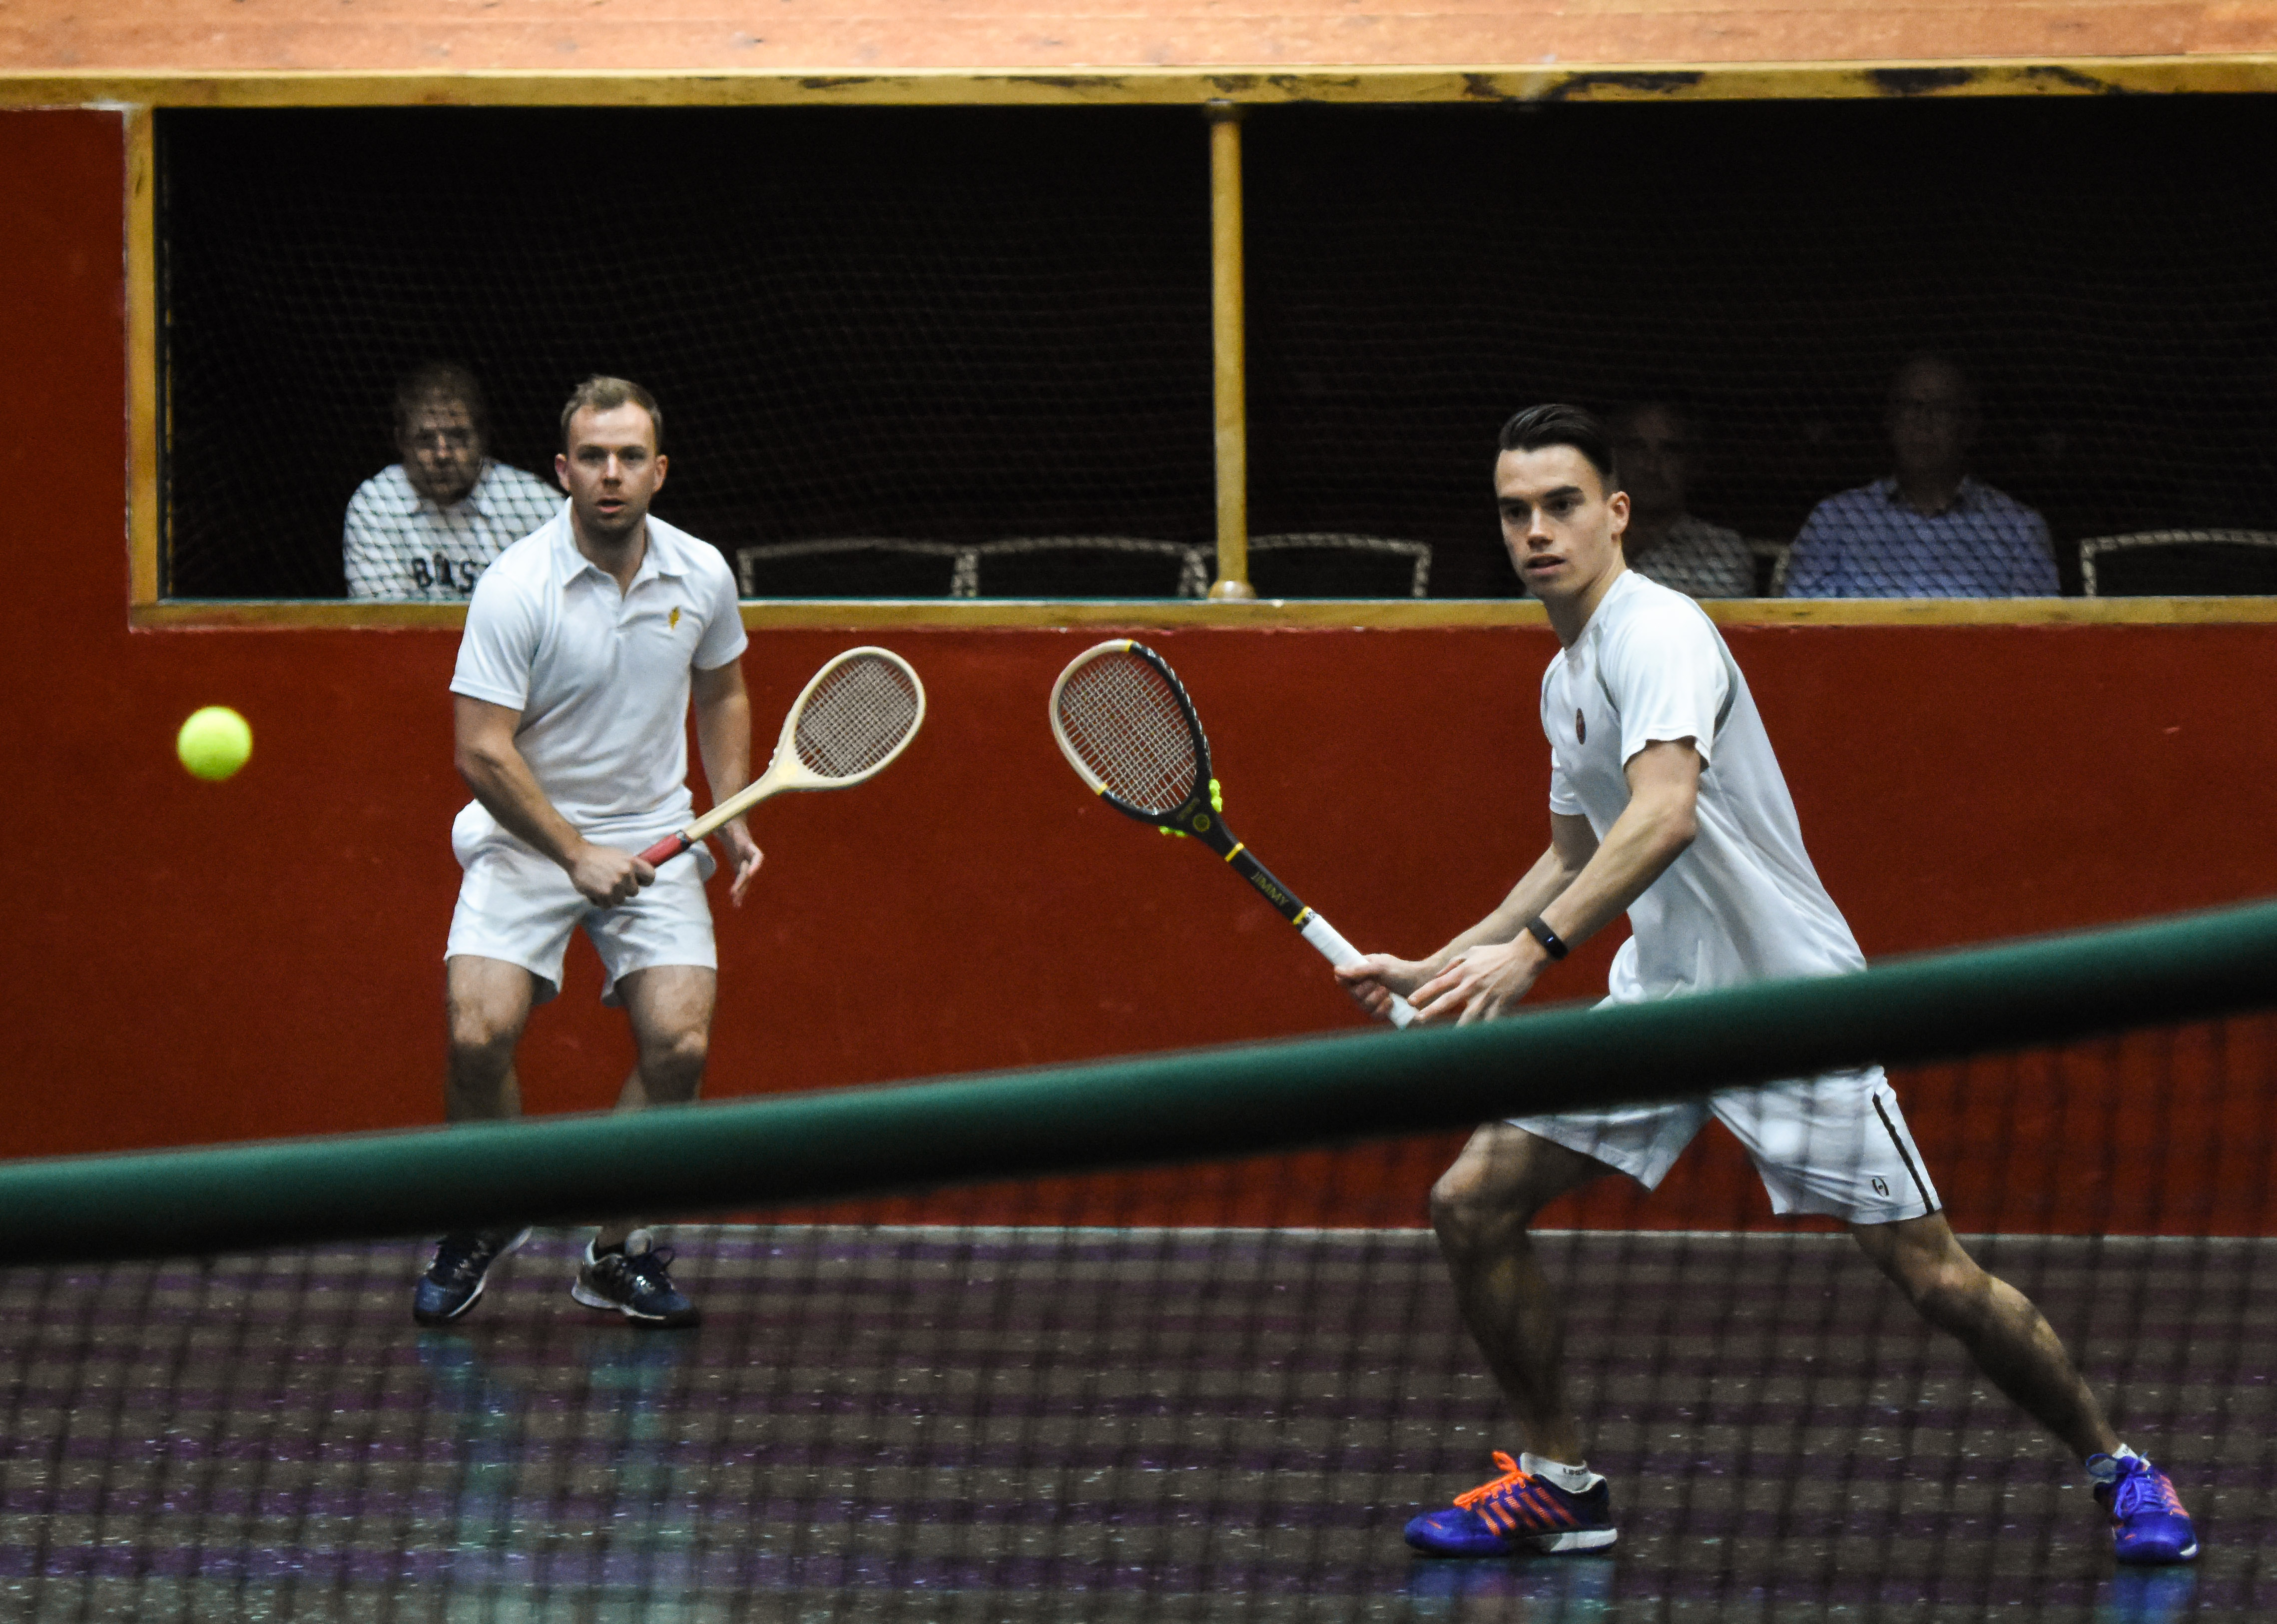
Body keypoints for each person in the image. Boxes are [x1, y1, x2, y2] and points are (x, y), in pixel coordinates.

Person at [1336, 404, 2196, 1567]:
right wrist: (1443, 960)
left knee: (1934, 1275)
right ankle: (1560, 1481)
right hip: (1663, 1005)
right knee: (1470, 1201)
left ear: (1615, 513)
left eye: (1561, 504)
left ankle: (2120, 1464)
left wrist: (1530, 953)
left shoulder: (1660, 630)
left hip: (1789, 1008)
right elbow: (1574, 851)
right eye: (1514, 510)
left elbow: (1665, 813)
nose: (1536, 529)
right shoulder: (1564, 677)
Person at [414, 376, 764, 1331]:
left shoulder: (701, 573)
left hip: (655, 834)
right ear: (563, 471)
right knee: (476, 1034)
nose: (612, 474)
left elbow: (723, 690)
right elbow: (480, 750)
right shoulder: (514, 586)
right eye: (593, 458)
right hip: (526, 837)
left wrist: (730, 807)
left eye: (630, 457)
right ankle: (486, 1210)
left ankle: (619, 1250)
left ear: (659, 470)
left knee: (680, 1042)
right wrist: (573, 852)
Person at [1784, 354, 2059, 597]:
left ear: (1969, 427)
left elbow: (2037, 635)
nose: (1923, 422)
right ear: (1889, 420)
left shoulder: (2018, 531)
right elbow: (1800, 629)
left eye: (1941, 409)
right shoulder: (1834, 522)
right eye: (1910, 406)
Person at [343, 362, 560, 600]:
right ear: (402, 442)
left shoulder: (531, 502)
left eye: (458, 437)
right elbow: (381, 618)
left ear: (482, 439)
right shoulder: (378, 503)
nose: (442, 454)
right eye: (426, 439)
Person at [1606, 400, 1755, 597]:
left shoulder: (1723, 551)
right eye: (1637, 448)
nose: (1651, 466)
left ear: (1692, 463)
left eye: (1669, 451)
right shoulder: (1589, 541)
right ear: (1615, 457)